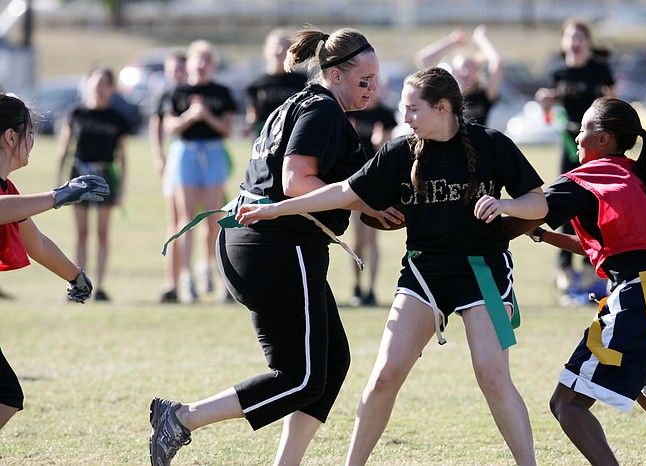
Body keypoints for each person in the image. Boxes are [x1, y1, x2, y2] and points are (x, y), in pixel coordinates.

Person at [236, 67, 547, 466]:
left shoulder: (492, 145)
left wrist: (506, 205)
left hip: (483, 273)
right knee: (384, 376)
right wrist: (276, 208)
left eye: (413, 110)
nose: (405, 119)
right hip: (424, 273)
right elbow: (342, 192)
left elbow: (538, 204)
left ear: (443, 107)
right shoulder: (401, 151)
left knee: (493, 378)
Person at [149, 27, 383, 465]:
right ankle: (180, 418)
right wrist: (360, 197)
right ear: (334, 74)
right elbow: (296, 182)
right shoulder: (323, 111)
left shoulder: (302, 103)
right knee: (302, 376)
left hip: (259, 242)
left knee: (331, 362)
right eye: (363, 80)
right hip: (275, 246)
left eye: (376, 79)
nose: (372, 88)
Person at [505, 97, 646, 465]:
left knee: (566, 404)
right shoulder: (641, 176)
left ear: (604, 139)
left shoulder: (592, 176)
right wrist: (545, 236)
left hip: (644, 293)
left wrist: (493, 216)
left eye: (584, 129)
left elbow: (528, 212)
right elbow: (615, 248)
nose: (577, 138)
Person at [0, 93, 108, 431]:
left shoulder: (10, 191)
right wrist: (59, 195)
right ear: (11, 137)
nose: (32, 142)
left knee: (6, 396)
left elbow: (37, 243)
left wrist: (76, 276)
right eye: (30, 133)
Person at [535, 19, 615, 295]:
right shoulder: (558, 71)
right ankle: (565, 268)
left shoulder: (600, 70)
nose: (576, 41)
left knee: (596, 202)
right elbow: (549, 115)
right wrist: (546, 102)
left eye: (580, 36)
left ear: (588, 41)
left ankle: (593, 263)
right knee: (565, 202)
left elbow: (614, 103)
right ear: (563, 42)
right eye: (570, 36)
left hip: (598, 145)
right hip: (571, 145)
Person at [164, 40, 237, 303]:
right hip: (186, 153)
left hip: (214, 153)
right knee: (186, 218)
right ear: (191, 62)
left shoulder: (222, 92)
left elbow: (227, 129)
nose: (203, 65)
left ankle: (209, 268)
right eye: (198, 59)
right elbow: (170, 127)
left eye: (208, 60)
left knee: (212, 217)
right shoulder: (178, 92)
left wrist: (207, 117)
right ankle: (186, 278)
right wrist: (191, 116)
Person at [56, 67, 131, 302]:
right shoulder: (76, 113)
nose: (99, 88)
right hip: (78, 175)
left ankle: (100, 286)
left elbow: (122, 158)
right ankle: (78, 284)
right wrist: (59, 185)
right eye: (96, 83)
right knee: (81, 233)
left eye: (104, 84)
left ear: (111, 88)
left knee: (102, 233)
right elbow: (63, 149)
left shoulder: (117, 118)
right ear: (87, 84)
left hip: (105, 176)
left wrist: (121, 190)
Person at [346, 88, 397, 306]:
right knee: (358, 240)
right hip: (357, 183)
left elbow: (388, 153)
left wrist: (379, 143)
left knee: (373, 239)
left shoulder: (385, 115)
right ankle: (357, 286)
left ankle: (372, 290)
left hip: (378, 185)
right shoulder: (351, 112)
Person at [148, 51, 187, 303]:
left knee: (203, 223)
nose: (177, 74)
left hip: (201, 164)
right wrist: (158, 156)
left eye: (181, 69)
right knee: (175, 222)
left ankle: (200, 278)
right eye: (173, 69)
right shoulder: (165, 96)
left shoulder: (197, 92)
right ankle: (172, 283)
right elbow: (156, 127)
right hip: (176, 160)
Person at [414, 25, 504, 126]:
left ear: (477, 73)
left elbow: (498, 62)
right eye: (461, 68)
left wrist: (482, 40)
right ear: (454, 71)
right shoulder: (444, 95)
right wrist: (452, 41)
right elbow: (423, 59)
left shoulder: (484, 95)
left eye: (470, 68)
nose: (465, 72)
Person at [244, 29, 307, 139]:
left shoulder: (302, 82)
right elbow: (253, 114)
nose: (279, 50)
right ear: (265, 50)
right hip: (266, 139)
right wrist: (248, 126)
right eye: (275, 46)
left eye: (284, 47)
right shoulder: (256, 84)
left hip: (293, 137)